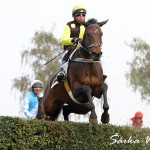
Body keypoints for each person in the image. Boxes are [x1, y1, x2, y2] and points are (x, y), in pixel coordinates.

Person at [56, 5, 87, 82]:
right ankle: (62, 72)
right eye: (78, 15)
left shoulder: (87, 26)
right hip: (70, 49)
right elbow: (63, 40)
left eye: (83, 15)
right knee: (65, 56)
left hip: (83, 50)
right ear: (74, 16)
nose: (81, 17)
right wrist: (74, 39)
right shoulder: (69, 25)